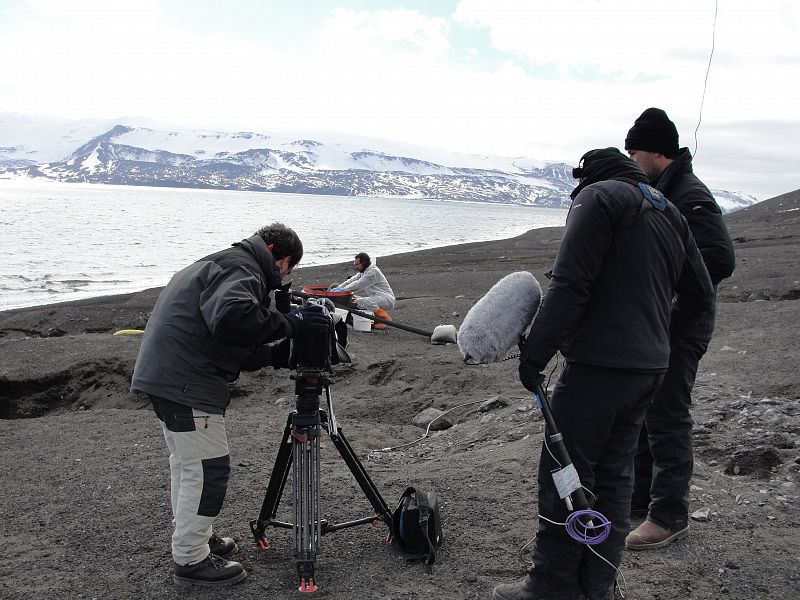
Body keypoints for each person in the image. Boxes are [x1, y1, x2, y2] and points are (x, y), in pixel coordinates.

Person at [493, 148, 714, 600]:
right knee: (615, 478)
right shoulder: (669, 211)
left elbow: (570, 284)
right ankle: (598, 585)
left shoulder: (597, 199)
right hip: (648, 371)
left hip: (597, 370)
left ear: (586, 177)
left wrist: (535, 358)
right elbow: (701, 295)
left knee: (564, 474)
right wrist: (660, 341)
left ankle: (551, 586)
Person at [131, 223, 330, 587]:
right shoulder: (243, 268)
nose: (283, 278)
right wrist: (290, 322)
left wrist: (273, 354)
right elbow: (231, 320)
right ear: (279, 256)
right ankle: (191, 560)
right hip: (187, 381)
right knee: (207, 469)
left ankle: (196, 539)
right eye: (287, 268)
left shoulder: (224, 262)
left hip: (168, 374)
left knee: (188, 466)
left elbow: (224, 334)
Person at [624, 108, 735, 549]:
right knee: (646, 407)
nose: (631, 159)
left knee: (667, 414)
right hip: (663, 321)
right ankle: (641, 498)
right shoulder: (662, 190)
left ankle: (669, 516)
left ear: (656, 152)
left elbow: (719, 257)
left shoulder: (689, 194)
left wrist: (670, 289)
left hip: (683, 323)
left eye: (634, 151)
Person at [334, 252, 395, 324]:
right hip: (377, 297)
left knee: (368, 302)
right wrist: (339, 287)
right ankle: (374, 319)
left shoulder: (373, 272)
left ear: (364, 263)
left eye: (357, 264)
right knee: (356, 302)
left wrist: (343, 290)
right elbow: (352, 280)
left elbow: (359, 284)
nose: (356, 267)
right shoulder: (364, 271)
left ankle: (385, 319)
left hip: (387, 299)